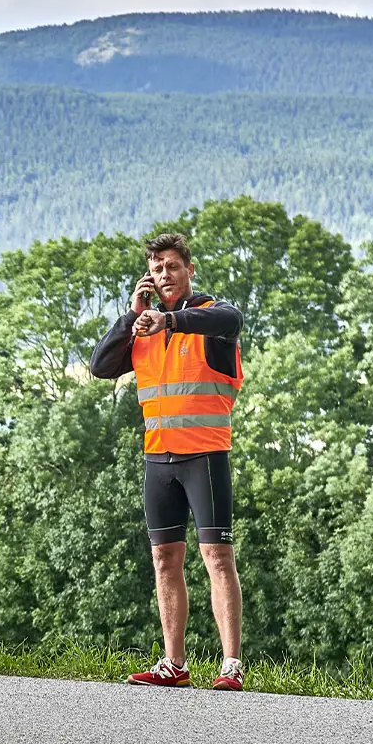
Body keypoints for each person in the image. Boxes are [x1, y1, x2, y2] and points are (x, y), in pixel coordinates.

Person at [88, 231, 247, 691]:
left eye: (172, 267)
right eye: (157, 269)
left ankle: (230, 666)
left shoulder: (211, 321)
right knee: (164, 560)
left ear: (189, 270)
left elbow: (230, 316)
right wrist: (134, 316)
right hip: (159, 460)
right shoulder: (144, 329)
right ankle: (173, 664)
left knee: (217, 557)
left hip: (206, 456)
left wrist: (170, 322)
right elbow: (100, 365)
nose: (165, 275)